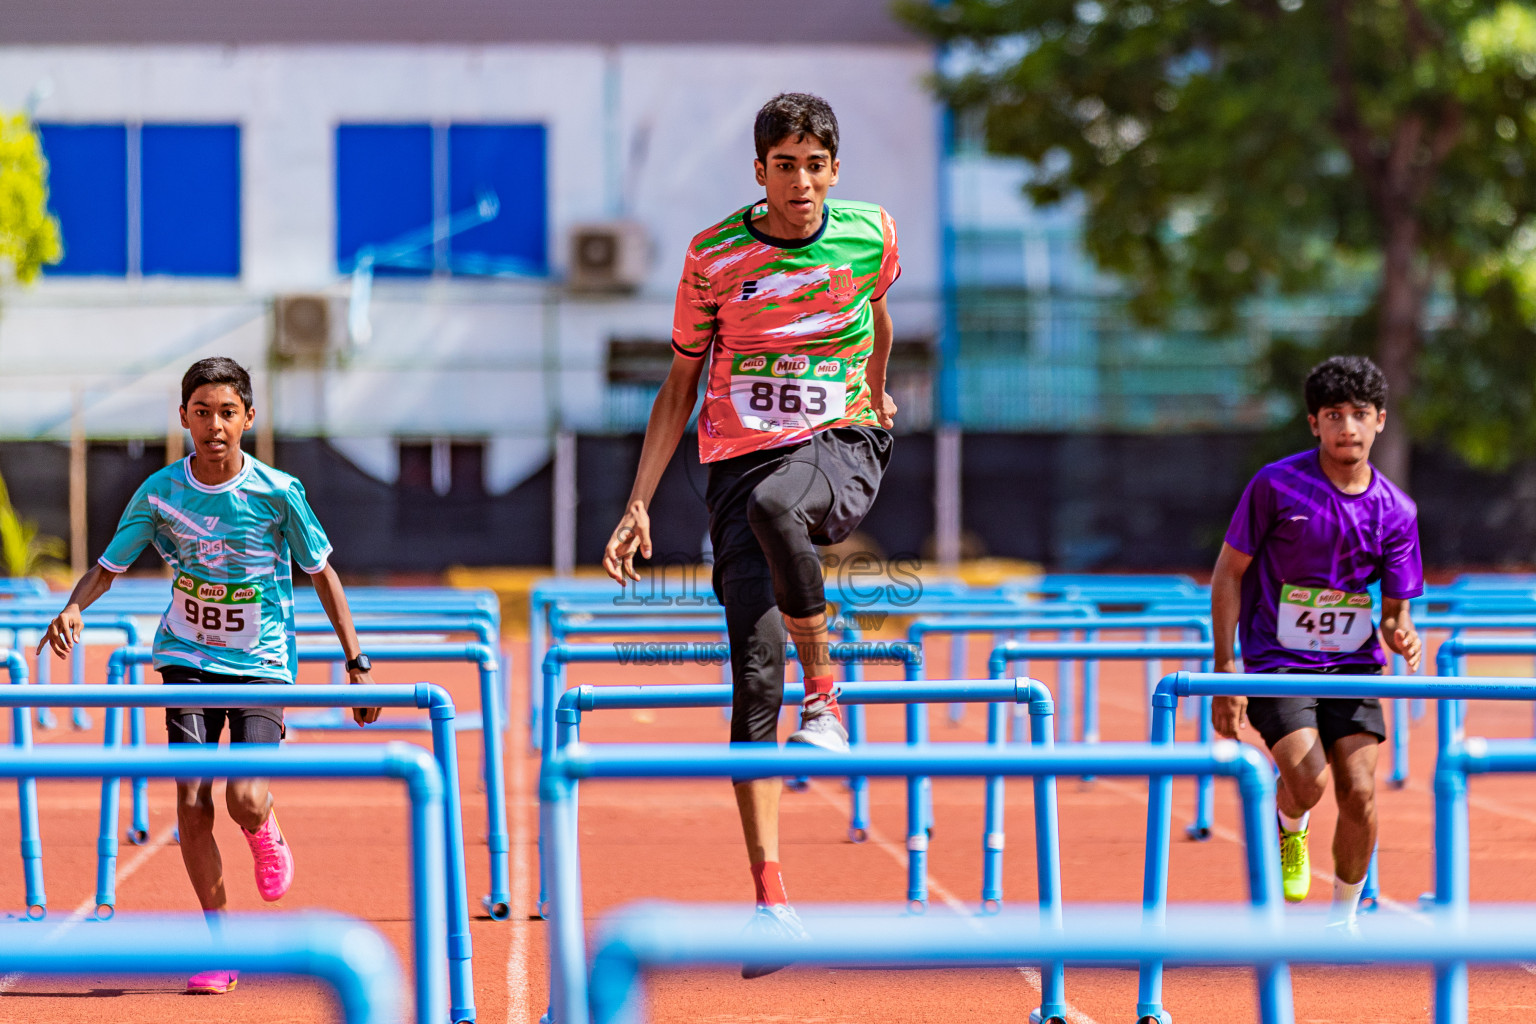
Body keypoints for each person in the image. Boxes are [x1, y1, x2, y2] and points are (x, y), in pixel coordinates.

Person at [601, 92, 899, 970]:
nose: (800, 181)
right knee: (751, 678)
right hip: (736, 464)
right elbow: (679, 386)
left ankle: (830, 696)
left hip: (841, 441)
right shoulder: (715, 257)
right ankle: (770, 898)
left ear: (834, 170)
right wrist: (638, 501)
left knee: (784, 509)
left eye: (815, 165)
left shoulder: (871, 233)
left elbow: (876, 314)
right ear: (760, 171)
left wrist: (876, 391)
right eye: (784, 165)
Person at [38, 356, 380, 994]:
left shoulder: (279, 492)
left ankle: (263, 823)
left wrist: (355, 662)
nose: (215, 426)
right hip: (187, 658)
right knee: (192, 802)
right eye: (202, 413)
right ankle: (219, 944)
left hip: (261, 664)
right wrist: (72, 609)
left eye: (227, 413)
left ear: (248, 417)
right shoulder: (162, 492)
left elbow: (322, 575)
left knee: (241, 796)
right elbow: (108, 566)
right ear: (184, 419)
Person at [1210, 354, 1423, 926]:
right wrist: (1226, 668)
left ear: (1380, 420)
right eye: (1333, 415)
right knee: (1309, 781)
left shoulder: (1397, 511)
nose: (1346, 428)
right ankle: (1292, 823)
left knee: (1359, 793)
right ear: (1314, 424)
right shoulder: (1276, 486)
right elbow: (1228, 573)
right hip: (1278, 662)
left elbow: (1396, 609)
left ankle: (1343, 921)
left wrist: (1401, 631)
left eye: (1359, 415)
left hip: (1353, 665)